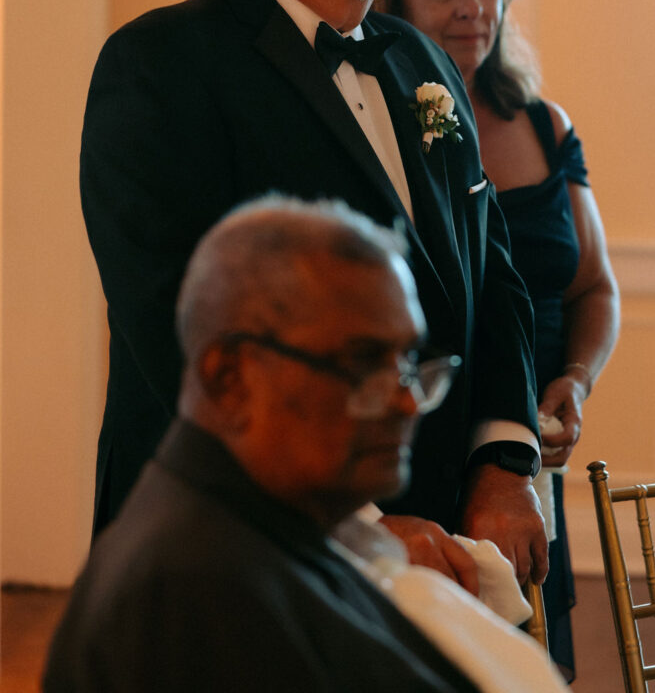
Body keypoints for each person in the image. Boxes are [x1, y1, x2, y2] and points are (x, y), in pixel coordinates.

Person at [80, 0, 547, 584]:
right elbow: (184, 336)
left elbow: (491, 274)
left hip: (443, 536)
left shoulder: (422, 62)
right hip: (237, 555)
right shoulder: (158, 67)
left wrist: (502, 459)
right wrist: (355, 527)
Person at [43, 197, 566, 693]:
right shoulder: (197, 589)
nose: (408, 403)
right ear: (230, 377)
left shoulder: (273, 529)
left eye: (409, 363)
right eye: (362, 363)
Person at [376, 0, 620, 679]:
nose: (472, 7)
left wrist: (573, 381)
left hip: (528, 458)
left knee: (531, 667)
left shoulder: (544, 124)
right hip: (426, 453)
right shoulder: (378, 124)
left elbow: (594, 289)